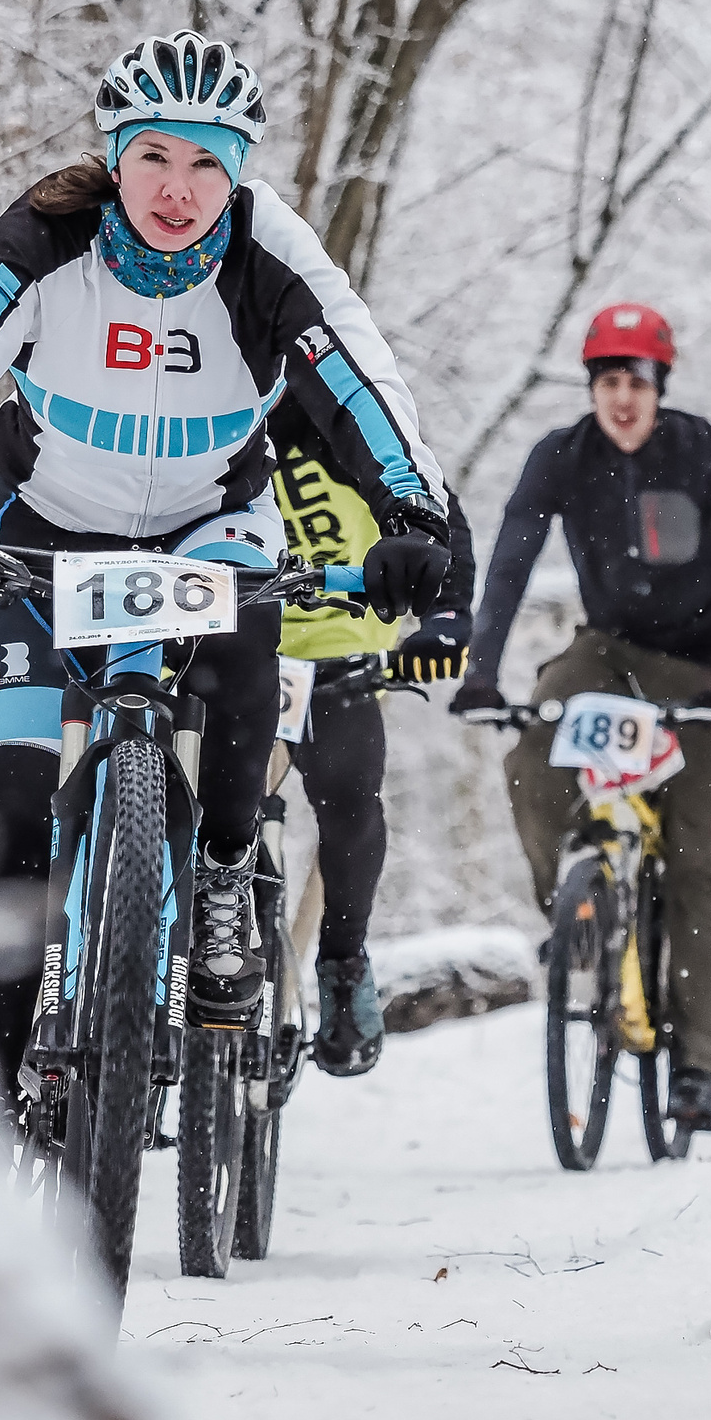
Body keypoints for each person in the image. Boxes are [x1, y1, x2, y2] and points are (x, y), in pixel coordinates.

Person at [0, 29, 453, 1098]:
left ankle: (221, 878)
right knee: (10, 815)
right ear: (115, 155)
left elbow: (361, 376)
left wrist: (412, 508)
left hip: (209, 524)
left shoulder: (271, 252)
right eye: (155, 156)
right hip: (41, 532)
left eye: (208, 163)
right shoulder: (48, 237)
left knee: (240, 668)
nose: (179, 189)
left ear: (240, 172)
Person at [450, 302, 711, 1133]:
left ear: (660, 387)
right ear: (591, 388)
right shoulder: (562, 458)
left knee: (704, 860)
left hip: (706, 671)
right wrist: (481, 670)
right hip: (610, 654)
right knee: (534, 753)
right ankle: (578, 915)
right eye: (608, 383)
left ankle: (697, 1064)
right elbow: (512, 560)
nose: (622, 399)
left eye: (637, 383)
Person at [267, 394, 478, 1076]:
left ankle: (342, 962)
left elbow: (437, 511)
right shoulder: (198, 408)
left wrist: (445, 618)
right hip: (230, 642)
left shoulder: (343, 414)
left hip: (339, 652)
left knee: (350, 803)